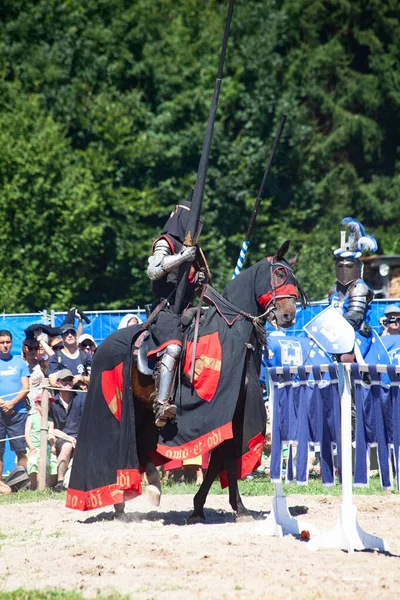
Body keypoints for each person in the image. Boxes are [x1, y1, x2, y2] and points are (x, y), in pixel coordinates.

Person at [146, 200, 208, 427]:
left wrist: (201, 279)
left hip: (189, 310)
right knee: (173, 347)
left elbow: (201, 287)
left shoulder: (196, 251)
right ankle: (162, 404)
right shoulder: (167, 242)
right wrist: (183, 257)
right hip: (165, 310)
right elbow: (153, 271)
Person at [328, 217, 377, 361]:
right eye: (340, 266)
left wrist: (333, 330)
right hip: (334, 334)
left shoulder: (359, 288)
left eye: (348, 266)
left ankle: (355, 382)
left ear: (356, 267)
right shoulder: (333, 290)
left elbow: (354, 316)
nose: (344, 269)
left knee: (346, 358)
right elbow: (327, 314)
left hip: (356, 334)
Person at [0, 330, 30, 479]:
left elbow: (26, 387)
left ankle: (21, 482)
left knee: (20, 448)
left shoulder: (20, 363)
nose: (5, 345)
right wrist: (3, 404)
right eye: (2, 342)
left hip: (18, 412)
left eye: (8, 342)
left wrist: (11, 404)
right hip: (0, 412)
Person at [49, 369, 85, 492]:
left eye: (70, 380)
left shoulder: (81, 397)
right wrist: (70, 438)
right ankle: (60, 483)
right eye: (65, 380)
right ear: (58, 383)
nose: (68, 383)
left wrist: (80, 438)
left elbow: (87, 421)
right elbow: (52, 429)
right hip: (62, 438)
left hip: (81, 436)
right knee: (67, 446)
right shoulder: (53, 402)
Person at [25, 391, 57, 490]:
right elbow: (27, 435)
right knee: (33, 462)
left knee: (52, 462)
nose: (46, 407)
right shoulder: (31, 418)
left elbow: (51, 434)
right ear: (36, 405)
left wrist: (53, 445)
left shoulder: (50, 420)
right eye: (43, 404)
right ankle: (34, 485)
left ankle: (51, 486)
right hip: (34, 447)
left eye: (48, 405)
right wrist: (32, 448)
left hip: (46, 447)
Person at [48, 324, 91, 390]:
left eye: (72, 333)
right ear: (62, 338)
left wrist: (81, 378)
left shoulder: (86, 356)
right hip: (64, 398)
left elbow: (95, 379)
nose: (70, 335)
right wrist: (77, 382)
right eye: (66, 333)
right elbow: (53, 382)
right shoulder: (56, 358)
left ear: (76, 336)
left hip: (84, 398)